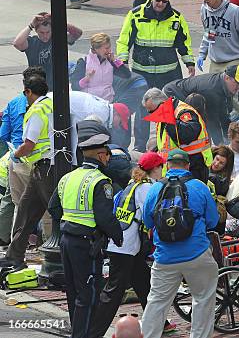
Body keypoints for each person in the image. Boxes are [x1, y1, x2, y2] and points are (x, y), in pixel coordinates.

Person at [47, 120, 124, 338]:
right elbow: (104, 218)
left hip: (66, 241)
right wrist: (118, 236)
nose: (109, 159)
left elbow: (53, 207)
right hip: (87, 244)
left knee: (73, 292)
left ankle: (77, 332)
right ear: (101, 155)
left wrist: (69, 221)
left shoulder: (67, 178)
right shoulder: (101, 181)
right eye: (107, 155)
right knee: (89, 294)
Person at [89, 152, 177, 337]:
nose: (163, 170)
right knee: (113, 292)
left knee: (144, 283)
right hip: (126, 247)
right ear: (156, 168)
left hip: (125, 245)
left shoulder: (133, 185)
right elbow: (152, 214)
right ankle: (93, 332)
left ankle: (161, 323)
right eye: (161, 167)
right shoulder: (147, 188)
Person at [141, 149, 219, 338]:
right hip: (197, 253)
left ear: (168, 165)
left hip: (165, 257)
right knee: (203, 299)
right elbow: (213, 220)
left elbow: (147, 221)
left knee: (157, 302)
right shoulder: (199, 187)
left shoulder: (155, 189)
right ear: (187, 165)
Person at [0, 75, 55, 268]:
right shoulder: (51, 104)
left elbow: (29, 144)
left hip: (46, 167)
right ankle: (13, 256)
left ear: (29, 92)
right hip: (42, 167)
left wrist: (16, 153)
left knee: (55, 211)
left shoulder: (36, 110)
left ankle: (65, 255)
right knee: (25, 209)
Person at [117, 0, 195, 92]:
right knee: (143, 106)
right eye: (158, 0)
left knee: (170, 105)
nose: (160, 4)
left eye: (164, 1)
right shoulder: (136, 15)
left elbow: (184, 43)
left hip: (169, 74)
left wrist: (189, 63)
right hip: (143, 73)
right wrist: (123, 62)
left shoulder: (176, 18)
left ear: (168, 0)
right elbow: (124, 41)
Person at [162, 65, 239, 145]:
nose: (238, 87)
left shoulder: (223, 86)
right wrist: (220, 145)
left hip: (186, 92)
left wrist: (230, 138)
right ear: (227, 78)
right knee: (192, 124)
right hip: (172, 93)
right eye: (237, 83)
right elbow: (213, 121)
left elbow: (223, 115)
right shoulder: (212, 90)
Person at [142, 88, 213, 182]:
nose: (152, 115)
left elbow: (188, 135)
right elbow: (164, 145)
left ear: (162, 104)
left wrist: (170, 121)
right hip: (174, 170)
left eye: (152, 111)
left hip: (192, 168)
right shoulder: (163, 115)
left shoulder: (183, 111)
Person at [13, 12, 82, 91]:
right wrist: (31, 25)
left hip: (57, 87)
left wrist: (58, 21)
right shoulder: (32, 42)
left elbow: (78, 33)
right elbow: (17, 43)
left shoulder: (58, 39)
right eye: (41, 33)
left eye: (48, 32)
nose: (45, 36)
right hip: (37, 87)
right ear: (36, 30)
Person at [69, 33, 130, 102]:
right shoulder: (84, 62)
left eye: (109, 47)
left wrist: (116, 61)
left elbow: (127, 75)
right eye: (106, 48)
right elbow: (74, 86)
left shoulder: (110, 61)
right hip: (89, 103)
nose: (109, 50)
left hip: (107, 102)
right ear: (96, 49)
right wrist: (86, 79)